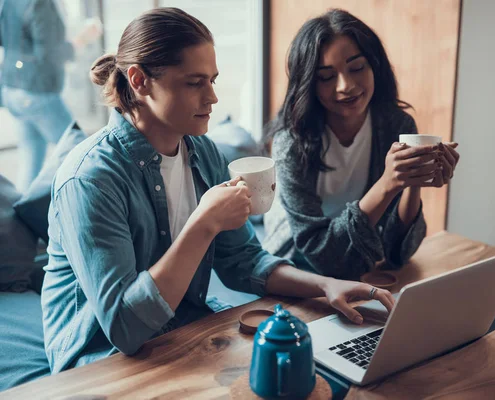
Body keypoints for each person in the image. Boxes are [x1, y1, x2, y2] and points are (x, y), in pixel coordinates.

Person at [40, 7, 395, 374]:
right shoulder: (90, 180)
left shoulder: (201, 151)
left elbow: (245, 261)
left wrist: (327, 286)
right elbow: (124, 329)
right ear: (139, 81)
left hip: (184, 329)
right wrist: (204, 224)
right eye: (194, 83)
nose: (212, 97)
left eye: (212, 80)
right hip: (101, 361)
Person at [263, 9, 460, 280]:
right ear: (309, 83)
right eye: (326, 77)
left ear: (374, 66)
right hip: (297, 259)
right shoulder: (291, 144)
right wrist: (387, 184)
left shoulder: (395, 125)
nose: (345, 86)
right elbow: (321, 254)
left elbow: (397, 253)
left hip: (361, 248)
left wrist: (412, 181)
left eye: (357, 68)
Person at [0, 0, 101, 191]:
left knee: (31, 161)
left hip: (12, 89)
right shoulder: (41, 3)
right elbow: (50, 55)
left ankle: (23, 215)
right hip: (36, 93)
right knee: (85, 153)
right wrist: (84, 38)